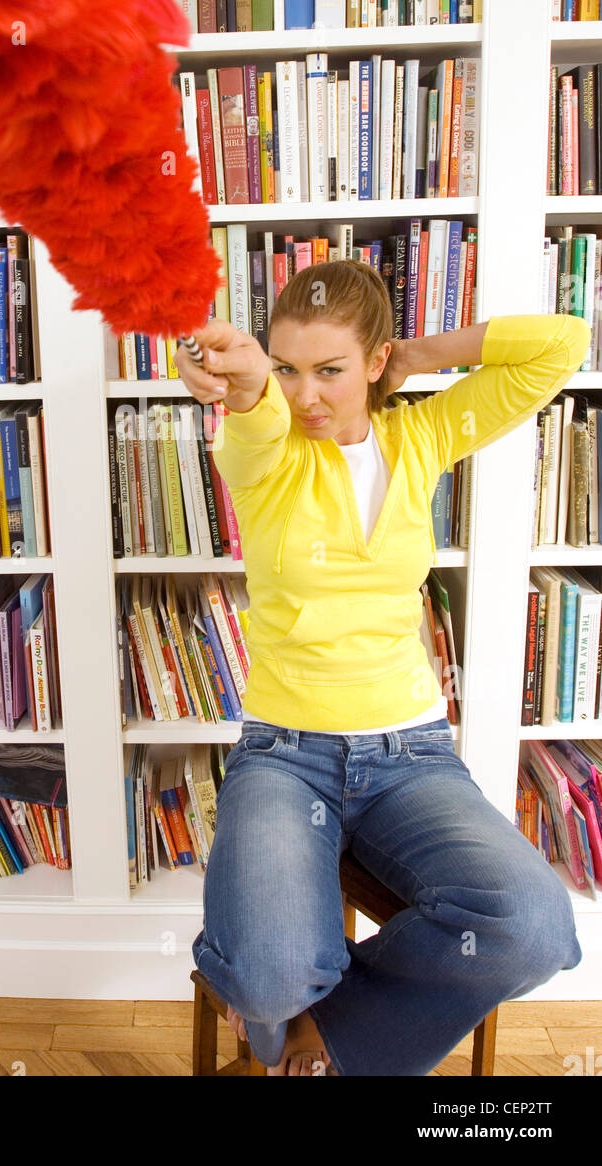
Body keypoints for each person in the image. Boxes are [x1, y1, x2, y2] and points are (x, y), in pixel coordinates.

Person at [174, 259, 588, 1077]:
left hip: (411, 758)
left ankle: (330, 1035)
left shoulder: (423, 435)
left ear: (372, 361)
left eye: (328, 370)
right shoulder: (271, 457)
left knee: (535, 930)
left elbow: (561, 345)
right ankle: (306, 1005)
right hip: (284, 755)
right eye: (289, 369)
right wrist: (250, 381)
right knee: (265, 975)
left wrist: (421, 357)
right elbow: (255, 413)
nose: (305, 396)